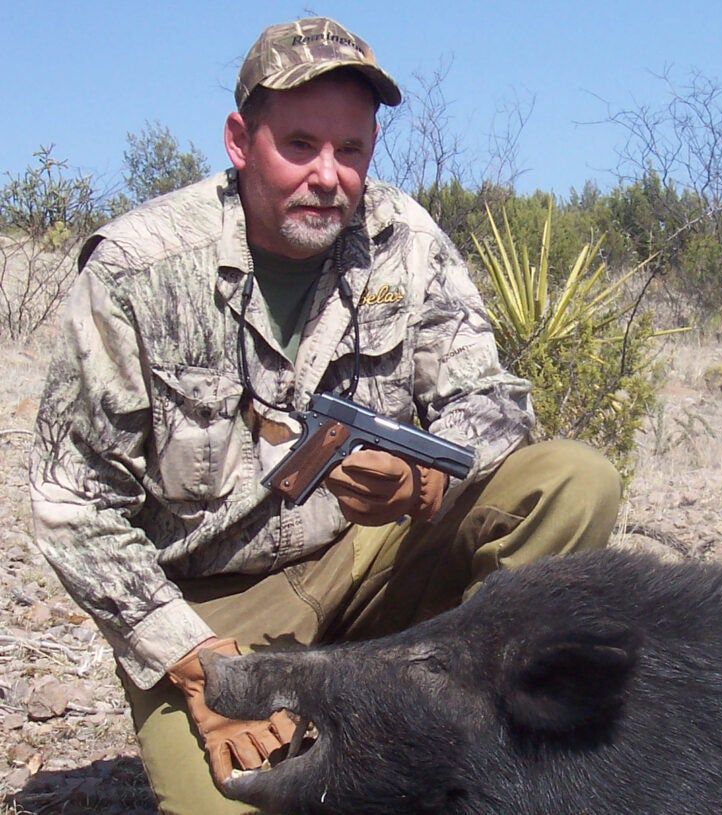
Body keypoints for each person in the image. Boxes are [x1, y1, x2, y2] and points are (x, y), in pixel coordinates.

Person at [28, 15, 621, 815]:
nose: (328, 176)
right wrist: (200, 666)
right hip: (212, 608)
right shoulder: (138, 272)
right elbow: (74, 506)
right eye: (300, 145)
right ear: (240, 141)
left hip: (366, 558)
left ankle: (466, 725)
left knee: (575, 481)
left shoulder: (402, 238)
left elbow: (493, 400)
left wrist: (424, 477)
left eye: (351, 150)